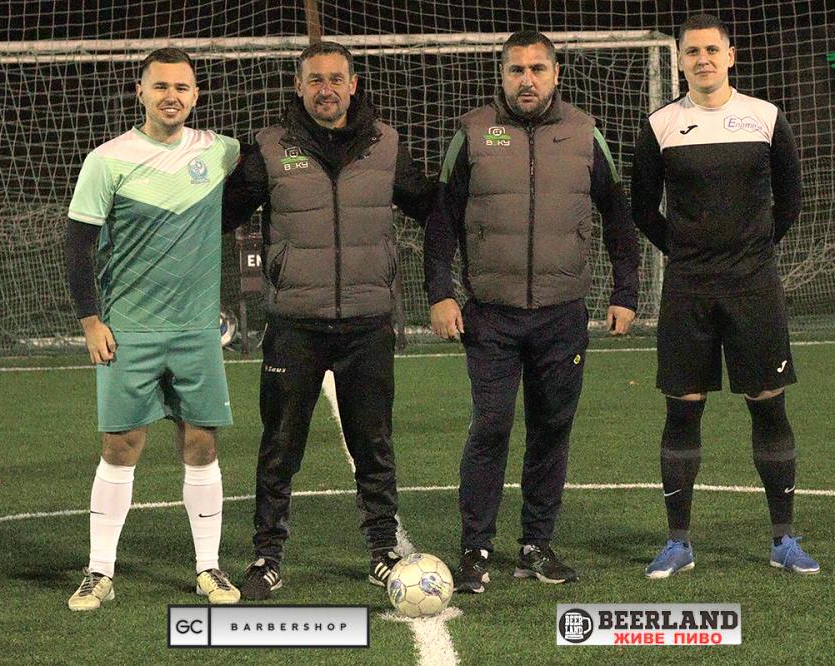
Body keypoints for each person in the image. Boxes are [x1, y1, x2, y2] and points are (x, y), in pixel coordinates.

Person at [424, 30, 640, 593]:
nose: (527, 80)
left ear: (555, 74)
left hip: (561, 314)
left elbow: (618, 216)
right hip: (490, 315)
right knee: (491, 426)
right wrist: (440, 292)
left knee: (551, 429)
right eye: (516, 70)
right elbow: (442, 218)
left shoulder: (585, 132)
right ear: (502, 76)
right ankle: (475, 548)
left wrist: (626, 291)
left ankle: (536, 545)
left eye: (537, 69)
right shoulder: (472, 131)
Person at [222, 41, 436, 600]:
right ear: (298, 86)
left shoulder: (386, 144)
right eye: (315, 79)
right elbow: (221, 215)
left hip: (368, 322)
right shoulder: (269, 147)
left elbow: (431, 207)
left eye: (336, 79)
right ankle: (267, 555)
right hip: (295, 323)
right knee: (280, 445)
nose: (326, 89)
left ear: (353, 84)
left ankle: (383, 552)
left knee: (374, 444)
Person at [630, 14, 820, 578]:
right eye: (692, 52)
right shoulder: (661, 125)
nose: (703, 60)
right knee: (683, 409)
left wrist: (750, 250)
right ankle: (678, 544)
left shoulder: (765, 118)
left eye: (712, 50)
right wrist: (686, 251)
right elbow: (642, 208)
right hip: (688, 289)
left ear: (730, 56)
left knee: (769, 404)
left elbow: (790, 200)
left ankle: (783, 539)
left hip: (753, 288)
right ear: (680, 61)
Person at [64, 48, 242, 610]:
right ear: (139, 92)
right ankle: (99, 571)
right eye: (161, 86)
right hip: (130, 329)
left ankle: (209, 568)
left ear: (196, 95)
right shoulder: (107, 160)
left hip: (197, 331)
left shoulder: (218, 151)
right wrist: (90, 320)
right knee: (121, 445)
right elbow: (77, 245)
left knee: (201, 441)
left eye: (182, 87)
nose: (172, 96)